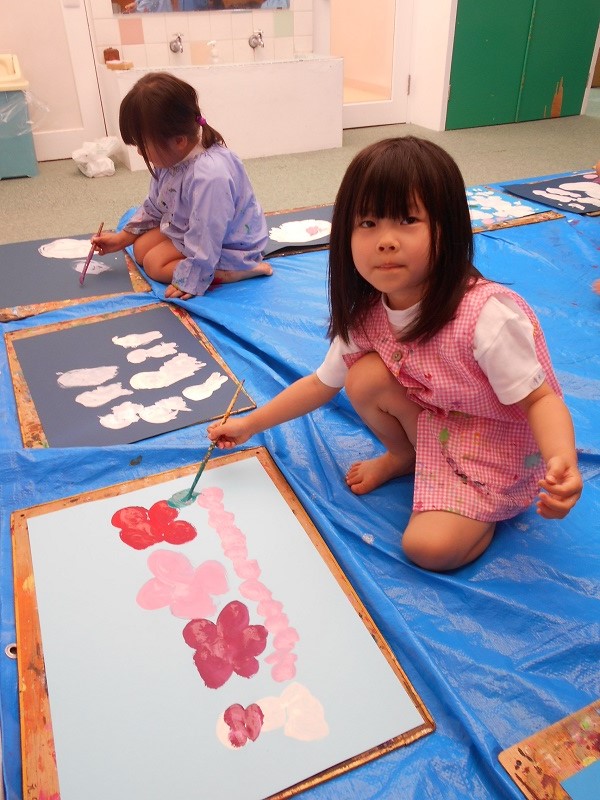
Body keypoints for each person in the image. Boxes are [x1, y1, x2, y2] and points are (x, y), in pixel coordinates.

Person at [207, 136, 583, 572]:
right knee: (362, 375)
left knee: (428, 549)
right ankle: (405, 457)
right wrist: (249, 425)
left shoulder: (486, 316)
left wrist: (562, 460)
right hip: (438, 422)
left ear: (448, 228)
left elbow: (540, 400)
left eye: (408, 219)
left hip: (496, 447)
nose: (385, 241)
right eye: (367, 222)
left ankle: (484, 508)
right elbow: (320, 385)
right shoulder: (368, 313)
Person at [92, 72, 271, 299]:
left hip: (229, 244)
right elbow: (155, 205)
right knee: (140, 248)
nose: (139, 152)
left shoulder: (210, 176)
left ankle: (231, 272)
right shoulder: (170, 158)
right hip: (190, 228)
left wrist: (193, 278)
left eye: (143, 144)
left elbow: (208, 234)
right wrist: (122, 238)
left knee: (154, 264)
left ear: (178, 141)